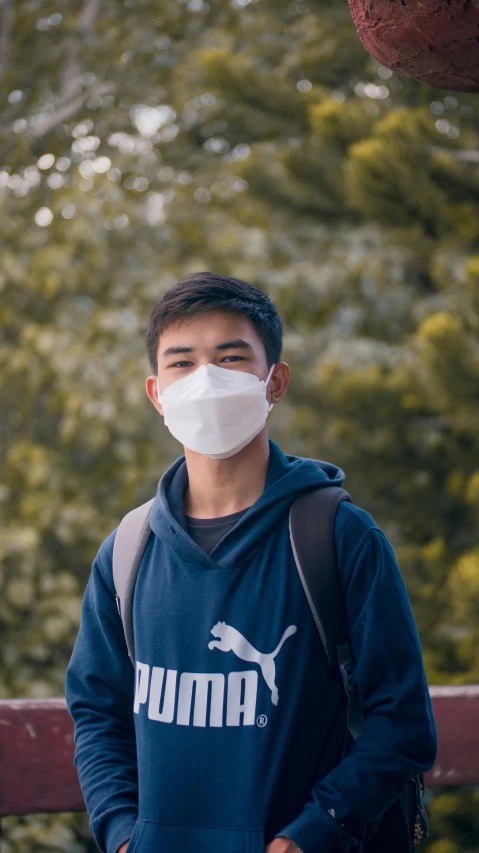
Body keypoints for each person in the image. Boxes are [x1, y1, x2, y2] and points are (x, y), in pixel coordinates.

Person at [65, 271, 437, 853]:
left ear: (275, 381)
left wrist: (310, 835)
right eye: (182, 363)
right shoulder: (128, 550)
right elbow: (97, 711)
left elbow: (403, 727)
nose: (206, 381)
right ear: (156, 392)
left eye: (231, 357)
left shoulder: (339, 538)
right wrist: (120, 833)